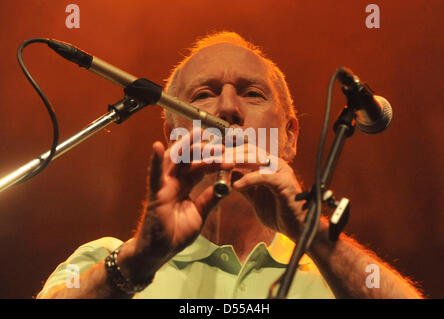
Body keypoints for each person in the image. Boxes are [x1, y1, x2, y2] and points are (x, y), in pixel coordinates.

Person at [37, 31, 423, 299]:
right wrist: (140, 260)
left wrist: (312, 233)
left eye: (252, 93)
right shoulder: (106, 260)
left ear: (289, 136)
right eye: (203, 94)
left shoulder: (333, 271)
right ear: (175, 136)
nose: (226, 109)